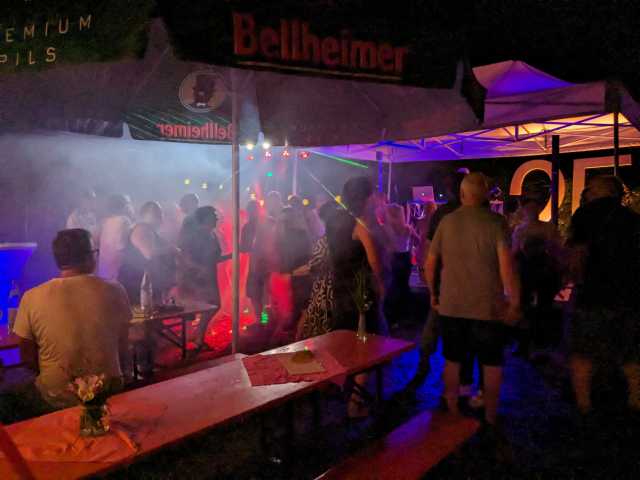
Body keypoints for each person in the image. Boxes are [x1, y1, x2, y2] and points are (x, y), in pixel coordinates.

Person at [426, 172, 521, 427]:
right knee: (491, 363)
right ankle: (490, 416)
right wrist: (514, 301)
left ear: (462, 194)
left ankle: (452, 410)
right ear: (486, 195)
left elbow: (430, 263)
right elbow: (507, 267)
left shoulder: (447, 222)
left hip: (451, 305)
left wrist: (433, 293)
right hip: (487, 307)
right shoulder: (496, 222)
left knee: (452, 360)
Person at [13, 229, 132, 411]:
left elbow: (26, 356)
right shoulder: (116, 290)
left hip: (55, 396)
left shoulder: (31, 297)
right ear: (90, 256)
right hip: (108, 390)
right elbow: (123, 345)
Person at [566, 176, 640, 415]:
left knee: (583, 352)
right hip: (627, 295)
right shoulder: (633, 219)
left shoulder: (585, 215)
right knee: (630, 352)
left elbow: (577, 255)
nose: (586, 191)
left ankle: (584, 404)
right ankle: (635, 400)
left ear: (601, 191)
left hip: (592, 293)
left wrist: (575, 280)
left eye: (590, 188)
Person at [326, 177, 385, 417]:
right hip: (360, 292)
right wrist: (380, 284)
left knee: (344, 341)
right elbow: (374, 262)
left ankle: (341, 391)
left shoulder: (333, 221)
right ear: (365, 198)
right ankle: (355, 403)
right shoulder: (359, 224)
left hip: (340, 288)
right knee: (366, 345)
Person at [512, 196, 563, 357]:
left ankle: (536, 342)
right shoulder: (522, 230)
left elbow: (557, 249)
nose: (532, 211)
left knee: (541, 307)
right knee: (527, 306)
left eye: (534, 208)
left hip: (542, 272)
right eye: (529, 208)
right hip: (530, 272)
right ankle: (528, 343)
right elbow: (515, 252)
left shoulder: (546, 228)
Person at [177, 206, 230, 351]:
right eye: (213, 215)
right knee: (197, 308)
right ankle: (191, 341)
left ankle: (198, 337)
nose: (217, 217)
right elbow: (184, 256)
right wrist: (199, 269)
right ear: (205, 218)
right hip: (194, 278)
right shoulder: (196, 235)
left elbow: (214, 258)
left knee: (214, 305)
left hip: (209, 276)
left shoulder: (212, 234)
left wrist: (233, 255)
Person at [295, 201, 338, 339]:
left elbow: (312, 266)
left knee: (321, 327)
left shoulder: (325, 240)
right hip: (341, 287)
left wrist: (291, 273)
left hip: (326, 290)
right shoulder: (344, 236)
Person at [119, 201, 175, 305]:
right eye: (158, 214)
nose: (161, 217)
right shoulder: (143, 229)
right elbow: (149, 254)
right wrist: (171, 249)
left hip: (144, 283)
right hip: (137, 283)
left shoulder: (148, 230)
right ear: (148, 215)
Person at [246, 191, 282, 322]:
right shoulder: (251, 226)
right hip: (260, 266)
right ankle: (262, 321)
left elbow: (243, 247)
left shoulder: (269, 222)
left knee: (262, 297)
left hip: (265, 266)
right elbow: (244, 246)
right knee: (259, 297)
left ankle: (264, 321)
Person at [382, 203, 418, 327]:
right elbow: (418, 240)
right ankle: (406, 318)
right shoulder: (407, 228)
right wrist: (411, 246)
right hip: (406, 258)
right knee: (404, 287)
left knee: (393, 288)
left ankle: (393, 319)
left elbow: (384, 245)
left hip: (394, 258)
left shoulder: (385, 228)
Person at [97, 194, 134, 281]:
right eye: (129, 204)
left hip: (104, 273)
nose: (132, 207)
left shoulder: (106, 221)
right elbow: (121, 249)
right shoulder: (124, 221)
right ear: (124, 207)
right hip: (116, 274)